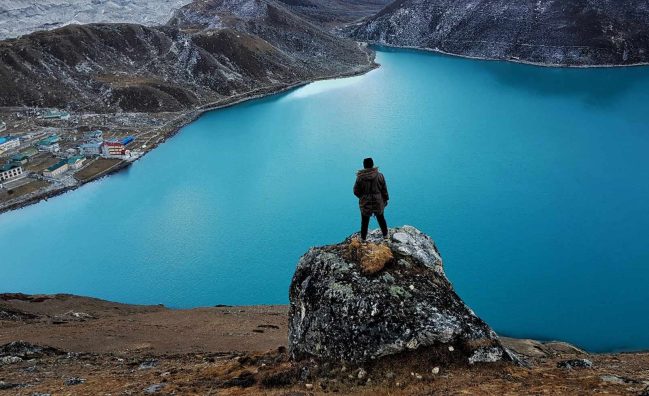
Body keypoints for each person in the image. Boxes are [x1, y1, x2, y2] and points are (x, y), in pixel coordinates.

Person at [353, 157, 389, 241]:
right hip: (378, 201)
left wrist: (362, 197)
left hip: (365, 202)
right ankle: (386, 236)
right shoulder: (380, 175)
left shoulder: (360, 177)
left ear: (364, 166)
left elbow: (355, 191)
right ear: (373, 164)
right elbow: (384, 189)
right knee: (381, 218)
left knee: (364, 221)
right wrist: (386, 199)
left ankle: (363, 239)